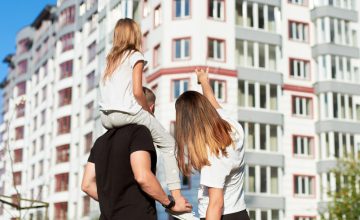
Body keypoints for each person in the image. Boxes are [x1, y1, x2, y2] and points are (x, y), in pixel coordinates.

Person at [98, 18, 185, 202]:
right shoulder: (135, 56)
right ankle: (177, 196)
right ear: (135, 35)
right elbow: (138, 92)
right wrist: (149, 113)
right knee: (169, 144)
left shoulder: (109, 62)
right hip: (126, 114)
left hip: (105, 118)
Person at [174, 68, 250, 220]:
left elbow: (216, 204)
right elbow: (212, 100)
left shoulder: (213, 153)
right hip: (238, 213)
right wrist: (203, 80)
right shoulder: (230, 125)